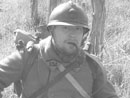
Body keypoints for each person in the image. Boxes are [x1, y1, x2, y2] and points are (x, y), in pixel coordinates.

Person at [0, 1, 119, 98]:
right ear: (52, 31)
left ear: (84, 34)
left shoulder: (93, 66)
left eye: (78, 29)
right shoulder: (28, 56)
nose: (72, 35)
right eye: (65, 28)